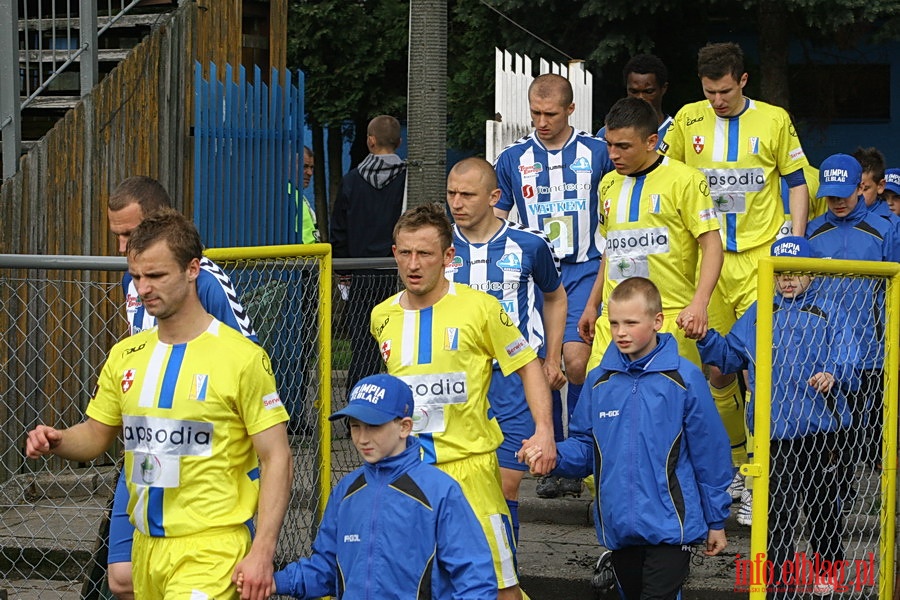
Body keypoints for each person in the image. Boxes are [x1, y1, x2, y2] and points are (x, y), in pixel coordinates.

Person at [26, 209, 293, 600]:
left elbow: (277, 458)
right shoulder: (126, 355)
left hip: (211, 550)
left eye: (156, 276)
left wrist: (263, 551)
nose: (144, 288)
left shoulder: (242, 359)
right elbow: (97, 434)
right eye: (136, 277)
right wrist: (58, 440)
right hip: (146, 549)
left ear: (192, 270)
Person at [370, 203, 556, 600]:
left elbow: (528, 365)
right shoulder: (381, 315)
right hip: (409, 475)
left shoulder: (481, 308)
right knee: (412, 586)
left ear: (448, 257)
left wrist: (544, 430)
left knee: (501, 589)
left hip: (470, 472)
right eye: (405, 253)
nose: (413, 264)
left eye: (425, 254)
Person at [660, 42, 811, 516]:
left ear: (743, 81)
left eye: (724, 91)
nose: (717, 100)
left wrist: (795, 249)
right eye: (709, 92)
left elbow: (797, 184)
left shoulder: (774, 119)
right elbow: (669, 176)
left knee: (760, 365)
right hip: (710, 260)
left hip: (761, 257)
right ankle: (734, 471)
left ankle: (764, 473)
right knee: (719, 371)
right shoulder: (688, 119)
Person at [524, 277, 731, 600]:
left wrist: (716, 519)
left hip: (670, 529)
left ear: (657, 321)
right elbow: (584, 447)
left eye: (631, 323)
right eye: (615, 322)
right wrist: (551, 456)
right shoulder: (598, 380)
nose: (620, 332)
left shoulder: (684, 377)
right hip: (620, 528)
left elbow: (711, 453)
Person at [105, 176, 259, 600]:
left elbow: (248, 363)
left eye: (129, 234)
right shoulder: (132, 283)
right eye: (116, 237)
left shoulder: (206, 282)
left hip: (206, 461)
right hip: (149, 449)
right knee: (121, 578)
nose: (121, 248)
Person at [688, 236, 851, 597]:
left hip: (819, 431)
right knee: (777, 512)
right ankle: (778, 578)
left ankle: (828, 570)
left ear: (812, 272)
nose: (787, 280)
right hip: (773, 432)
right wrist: (704, 337)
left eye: (795, 273)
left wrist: (832, 373)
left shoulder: (829, 311)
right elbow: (730, 355)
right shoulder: (761, 311)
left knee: (823, 506)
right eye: (779, 273)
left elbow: (847, 355)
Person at [240, 373, 496, 599]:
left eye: (373, 426)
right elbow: (327, 568)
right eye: (354, 427)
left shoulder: (440, 491)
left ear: (404, 426)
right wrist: (272, 582)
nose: (362, 438)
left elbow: (475, 577)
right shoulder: (347, 490)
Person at [493, 73, 613, 499]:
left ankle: (580, 453)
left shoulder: (598, 153)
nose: (541, 122)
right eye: (535, 114)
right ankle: (555, 457)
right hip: (533, 274)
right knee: (542, 365)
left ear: (570, 109)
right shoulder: (511, 159)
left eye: (550, 113)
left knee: (576, 362)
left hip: (582, 268)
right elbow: (499, 217)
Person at [445, 157, 567, 533]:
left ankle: (505, 578)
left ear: (494, 196)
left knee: (505, 484)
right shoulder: (439, 245)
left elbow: (555, 297)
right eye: (451, 193)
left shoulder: (529, 244)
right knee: (457, 486)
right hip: (457, 380)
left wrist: (552, 355)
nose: (457, 203)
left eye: (467, 194)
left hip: (514, 379)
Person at [578, 97, 723, 370]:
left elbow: (712, 245)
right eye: (609, 144)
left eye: (623, 146)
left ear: (651, 141)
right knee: (600, 399)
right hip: (614, 318)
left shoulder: (686, 180)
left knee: (668, 407)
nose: (613, 154)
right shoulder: (608, 183)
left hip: (668, 317)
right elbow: (611, 249)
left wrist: (699, 304)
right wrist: (592, 305)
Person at [806, 153, 899, 510]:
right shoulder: (814, 232)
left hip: (872, 346)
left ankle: (882, 496)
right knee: (834, 426)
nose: (838, 202)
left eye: (845, 193)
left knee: (865, 426)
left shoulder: (886, 228)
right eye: (831, 196)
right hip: (828, 351)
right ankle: (840, 492)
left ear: (860, 188)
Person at [331, 115, 406, 390]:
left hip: (360, 273)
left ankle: (359, 399)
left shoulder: (352, 181)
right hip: (399, 272)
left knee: (363, 341)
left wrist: (344, 271)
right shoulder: (407, 178)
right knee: (399, 336)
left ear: (369, 141)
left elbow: (339, 229)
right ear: (399, 142)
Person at [596, 53, 672, 149]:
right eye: (634, 91)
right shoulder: (607, 133)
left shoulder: (675, 131)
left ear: (663, 89)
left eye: (648, 91)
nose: (640, 97)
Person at [288, 146, 320, 243]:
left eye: (311, 167)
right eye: (304, 167)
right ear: (288, 166)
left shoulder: (296, 193)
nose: (310, 173)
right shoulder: (286, 196)